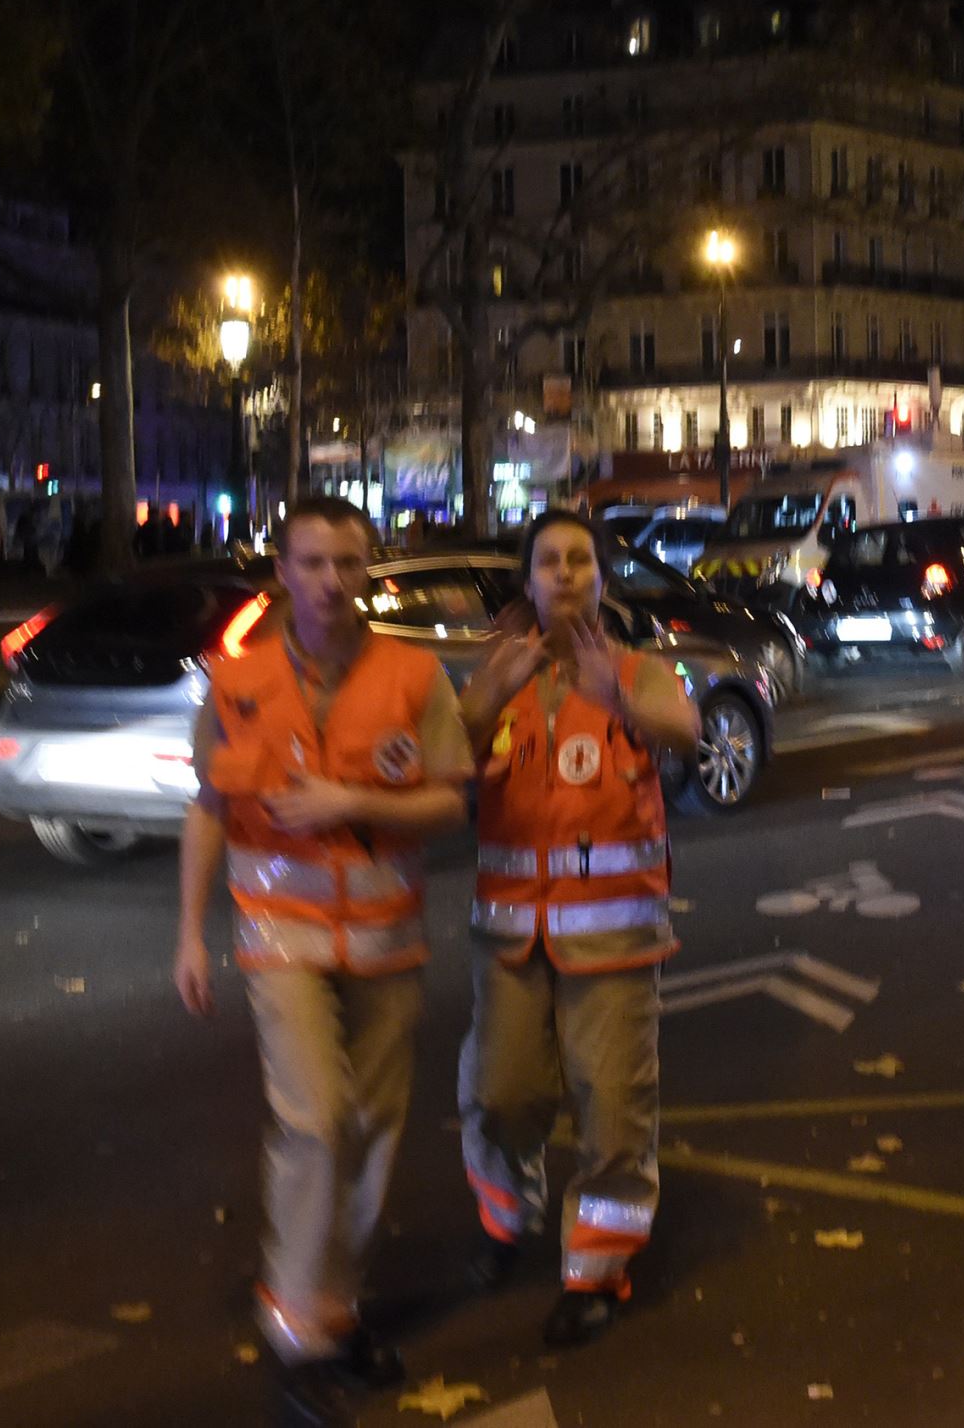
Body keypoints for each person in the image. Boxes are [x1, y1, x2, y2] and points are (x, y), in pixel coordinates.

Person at [171, 495, 472, 1421]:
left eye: (347, 563)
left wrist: (354, 804)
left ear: (369, 569)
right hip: (281, 937)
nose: (330, 581)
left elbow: (451, 801)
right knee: (319, 1121)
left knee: (373, 1131)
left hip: (386, 938)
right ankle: (297, 1323)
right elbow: (210, 808)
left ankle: (332, 1308)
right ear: (283, 572)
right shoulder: (237, 684)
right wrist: (189, 931)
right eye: (311, 563)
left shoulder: (416, 677)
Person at [454, 509, 700, 1348]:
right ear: (527, 580)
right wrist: (484, 699)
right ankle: (502, 1214)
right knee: (500, 1092)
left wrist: (618, 697)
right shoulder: (496, 676)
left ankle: (597, 1269)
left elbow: (687, 731)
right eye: (548, 562)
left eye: (580, 562)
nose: (563, 574)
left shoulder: (640, 669)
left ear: (602, 579)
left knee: (613, 1108)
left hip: (616, 938)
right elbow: (440, 764)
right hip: (511, 935)